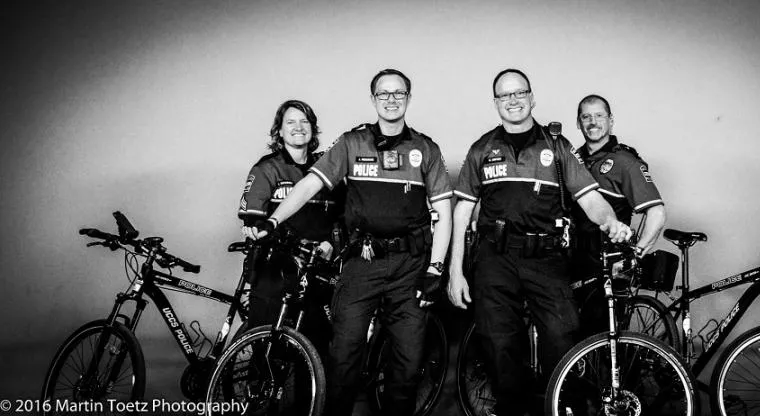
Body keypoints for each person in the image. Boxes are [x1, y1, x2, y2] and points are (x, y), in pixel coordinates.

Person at [250, 69, 453, 416]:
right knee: (343, 359)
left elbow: (445, 211)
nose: (391, 99)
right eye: (383, 93)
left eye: (398, 93)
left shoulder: (426, 148)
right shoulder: (351, 142)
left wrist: (435, 268)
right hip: (362, 264)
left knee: (406, 366)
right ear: (373, 99)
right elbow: (309, 186)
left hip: (410, 266)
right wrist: (273, 219)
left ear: (408, 98)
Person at [447, 69, 632, 416]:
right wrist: (455, 270)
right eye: (505, 95)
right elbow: (462, 212)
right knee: (500, 346)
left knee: (563, 339)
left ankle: (563, 407)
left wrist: (611, 222)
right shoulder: (482, 148)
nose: (513, 100)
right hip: (495, 259)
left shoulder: (557, 146)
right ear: (496, 103)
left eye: (520, 93)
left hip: (546, 258)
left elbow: (590, 199)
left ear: (532, 98)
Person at [238, 99, 343, 350]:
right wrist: (254, 228)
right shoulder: (267, 168)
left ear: (313, 129)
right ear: (280, 131)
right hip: (274, 271)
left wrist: (332, 242)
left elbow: (343, 215)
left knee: (317, 349)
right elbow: (253, 217)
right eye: (291, 122)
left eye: (305, 121)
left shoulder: (327, 170)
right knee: (266, 352)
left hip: (318, 271)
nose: (298, 127)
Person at [571, 94, 667, 335]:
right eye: (586, 117)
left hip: (608, 265)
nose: (593, 122)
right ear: (578, 123)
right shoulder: (573, 160)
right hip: (572, 263)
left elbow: (656, 213)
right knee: (571, 339)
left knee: (604, 343)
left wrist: (635, 256)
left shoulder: (625, 161)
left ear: (611, 121)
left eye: (599, 116)